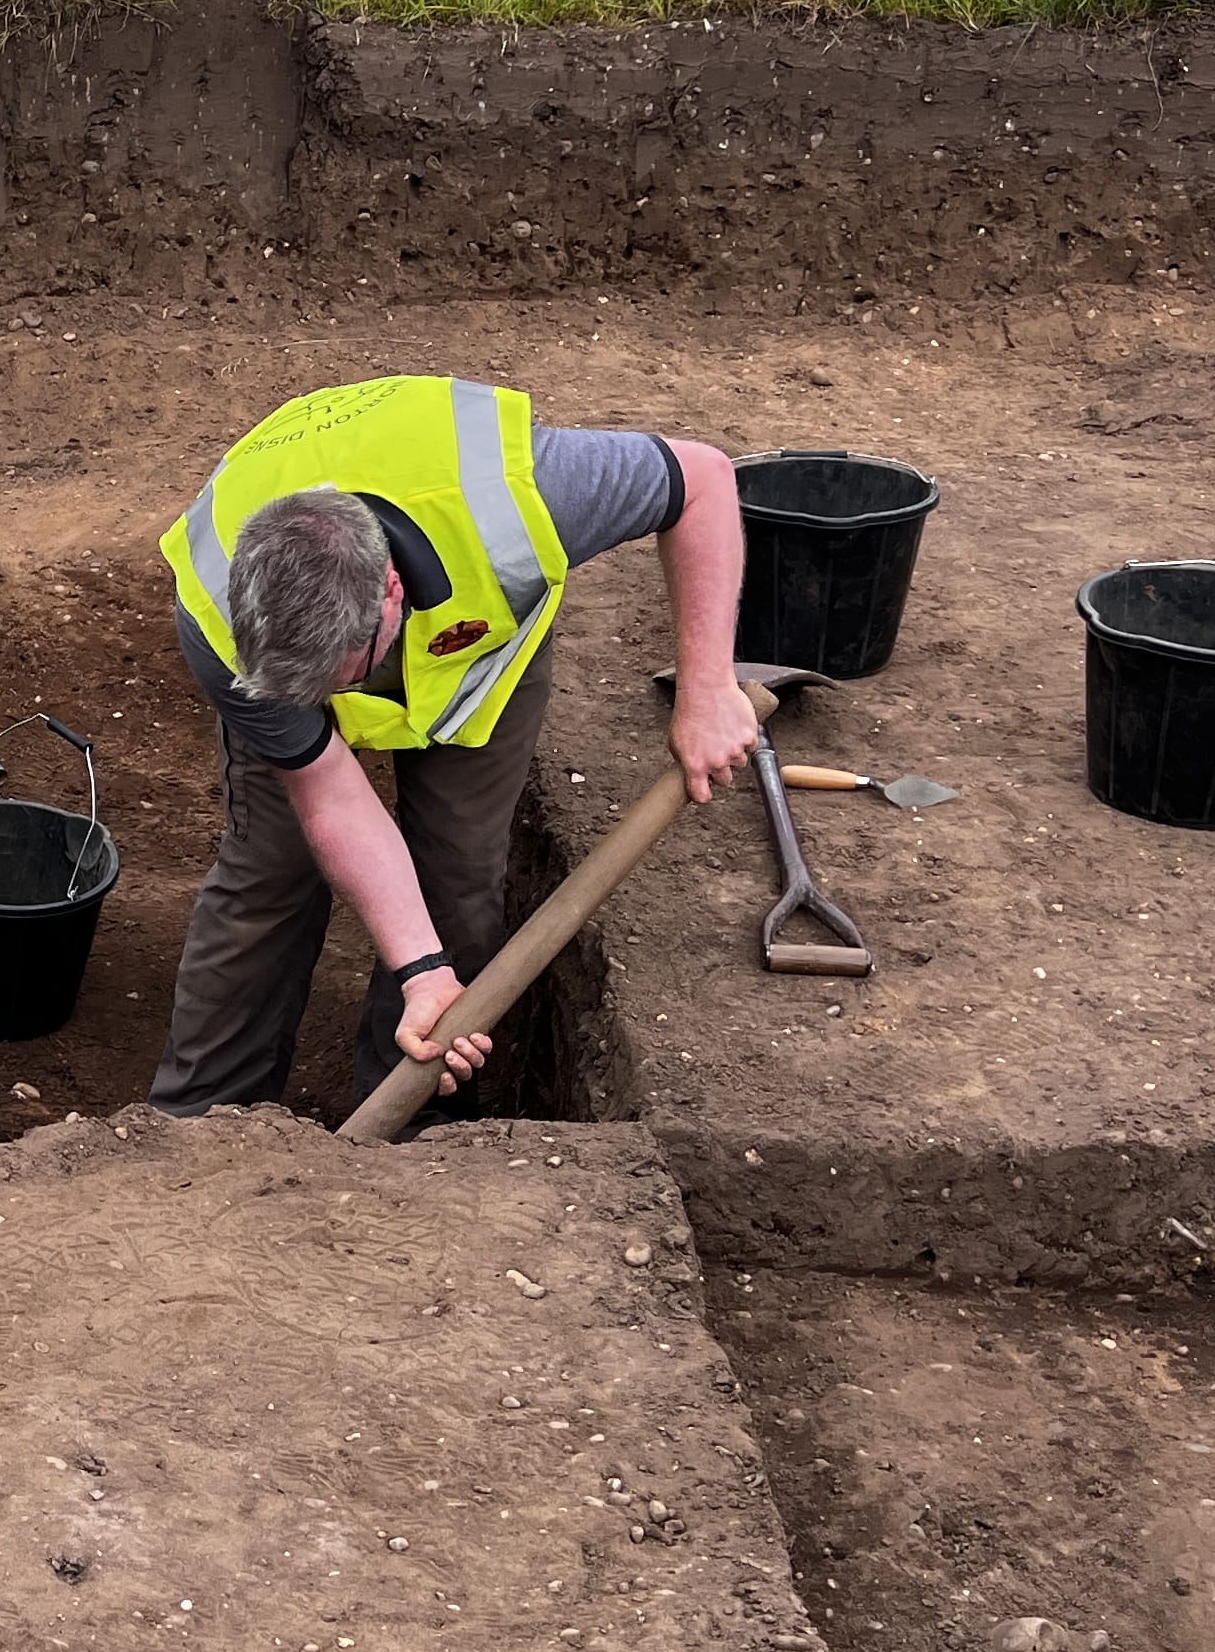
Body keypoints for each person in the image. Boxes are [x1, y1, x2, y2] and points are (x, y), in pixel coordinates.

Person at [150, 376, 760, 1123]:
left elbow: (702, 477)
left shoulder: (530, 493)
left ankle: (410, 1133)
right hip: (307, 653)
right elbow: (328, 788)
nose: (326, 702)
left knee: (459, 883)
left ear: (390, 594)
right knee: (268, 874)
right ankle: (200, 1123)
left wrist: (706, 687)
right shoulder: (216, 611)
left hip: (481, 668)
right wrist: (420, 963)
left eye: (336, 679)